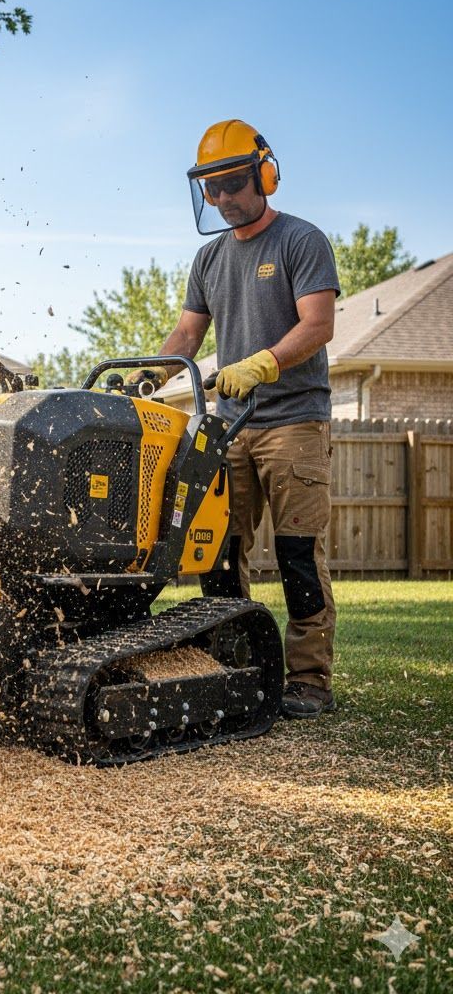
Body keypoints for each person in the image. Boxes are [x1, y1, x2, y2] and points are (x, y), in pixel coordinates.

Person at [130, 119, 340, 720]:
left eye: (232, 185)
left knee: (298, 555)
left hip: (294, 421)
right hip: (229, 425)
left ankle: (309, 681)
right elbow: (187, 336)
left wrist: (263, 364)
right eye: (212, 188)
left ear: (263, 174)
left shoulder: (301, 241)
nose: (223, 199)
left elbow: (318, 325)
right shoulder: (209, 257)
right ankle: (234, 662)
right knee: (218, 551)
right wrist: (151, 375)